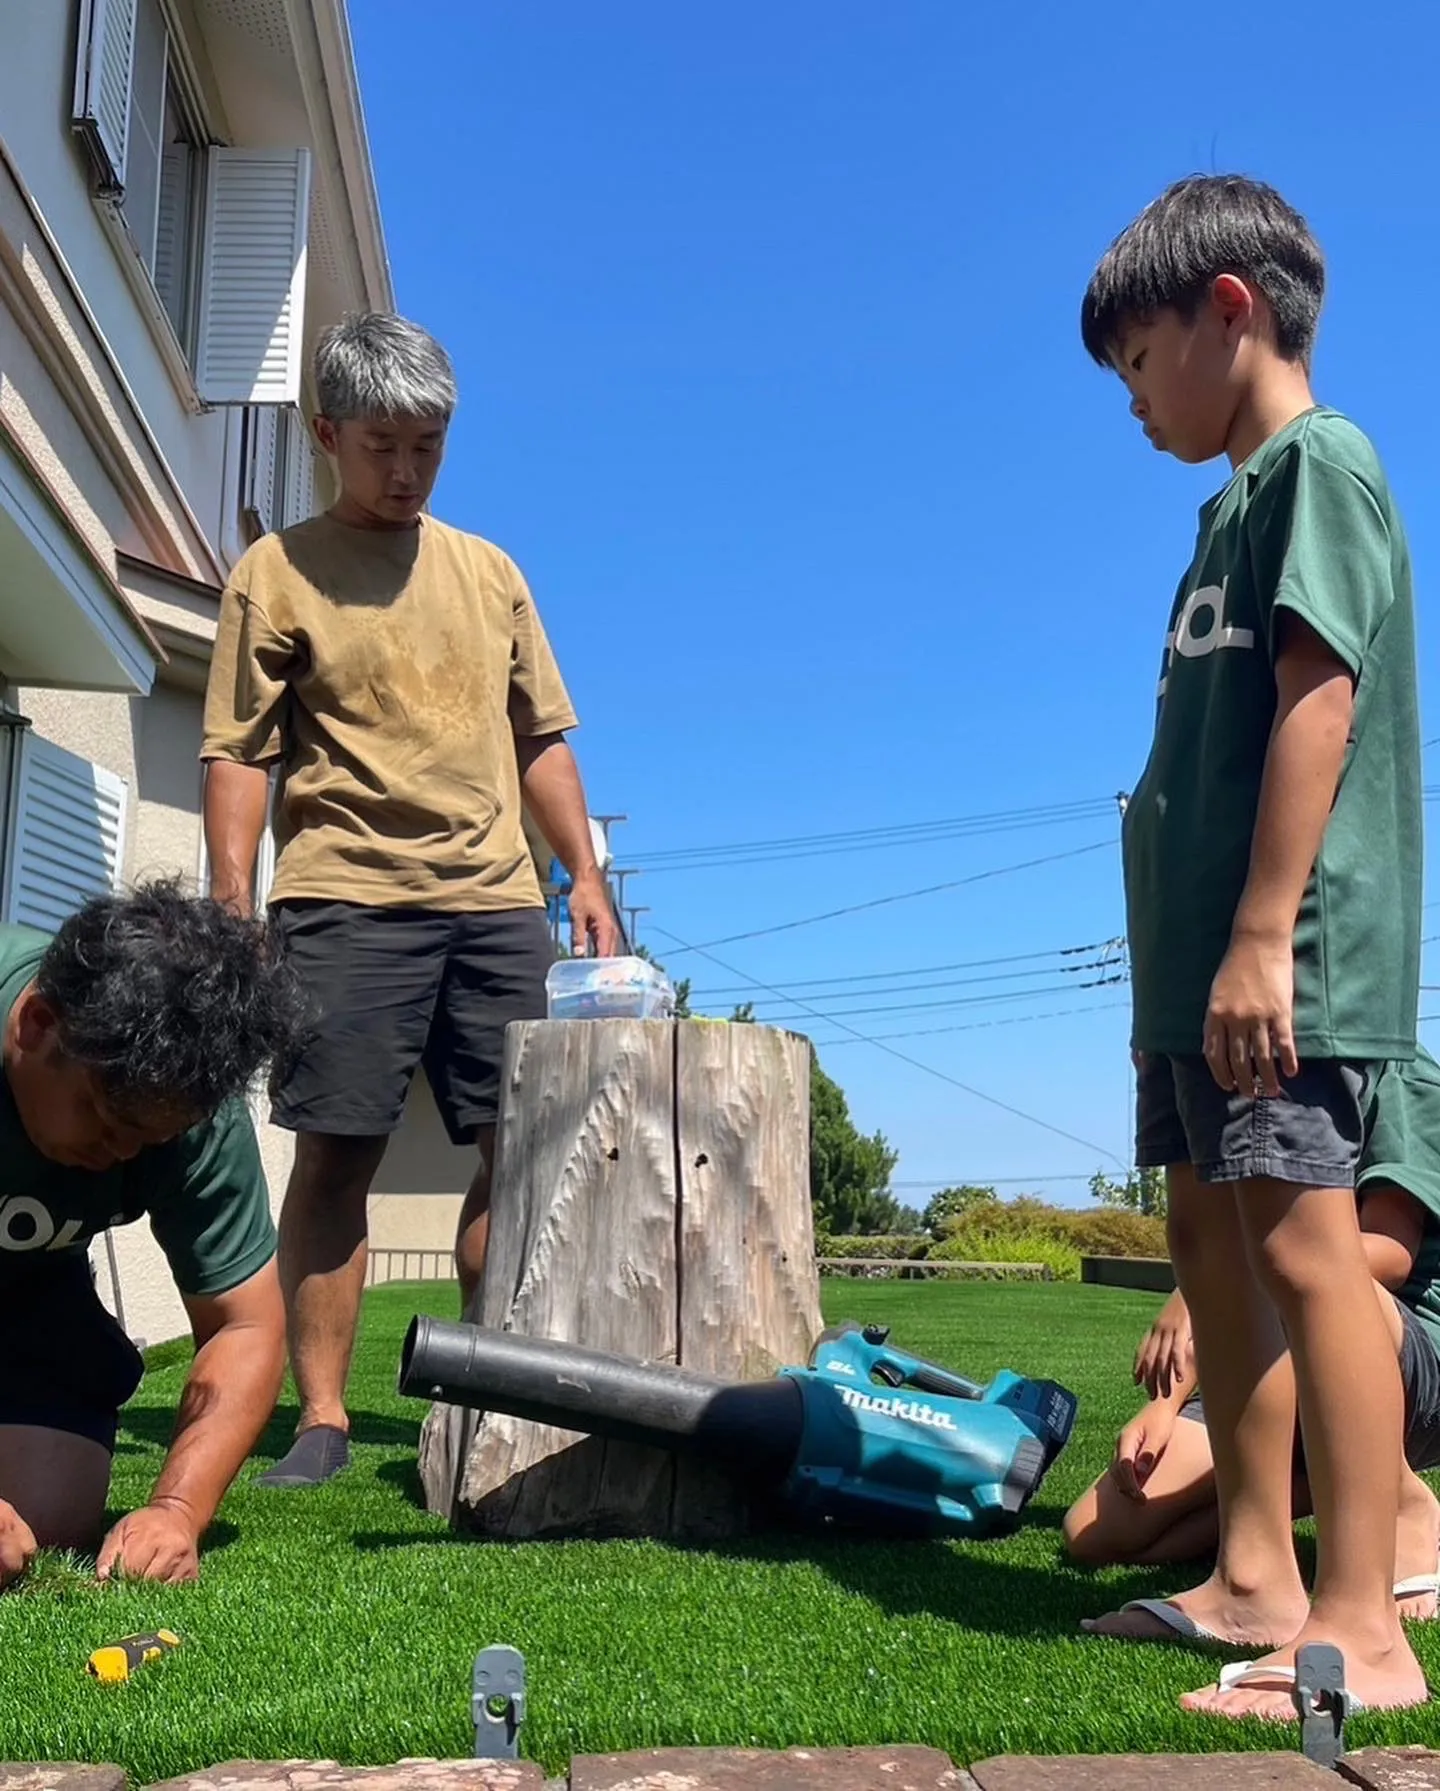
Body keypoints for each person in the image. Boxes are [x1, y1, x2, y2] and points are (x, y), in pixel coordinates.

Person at [1081, 174, 1425, 1718]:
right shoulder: (1224, 508)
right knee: (1212, 1242)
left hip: (1282, 960)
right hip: (1188, 977)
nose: (1138, 401)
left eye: (1142, 361)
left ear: (1229, 311)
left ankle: (1363, 1618)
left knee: (1302, 1246)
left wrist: (1263, 934)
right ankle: (1253, 1574)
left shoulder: (1321, 466)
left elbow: (1320, 699)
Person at [200, 311, 621, 1491]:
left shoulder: (490, 574)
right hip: (342, 901)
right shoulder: (275, 572)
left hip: (496, 904)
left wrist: (581, 873)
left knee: (518, 1148)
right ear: (328, 432)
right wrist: (236, 899)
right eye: (383, 444)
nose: (406, 470)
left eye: (428, 446)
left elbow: (542, 737)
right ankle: (324, 1418)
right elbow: (238, 751)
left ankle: (488, 1390)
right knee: (337, 1152)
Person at [1063, 1052, 1440, 1619]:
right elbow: (1228, 1268)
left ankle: (1400, 1501)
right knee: (1099, 1531)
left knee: (1295, 1275)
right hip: (1278, 1344)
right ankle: (1323, 1491)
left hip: (1406, 1350)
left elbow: (1389, 1253)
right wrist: (1165, 1405)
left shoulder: (1401, 1075)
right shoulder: (1248, 1084)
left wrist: (1189, 1295)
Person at [0, 879, 300, 1589]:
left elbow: (246, 1326)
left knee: (45, 1518)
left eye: (150, 1138)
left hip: (32, 1296)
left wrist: (177, 1508)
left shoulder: (191, 1104)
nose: (119, 1156)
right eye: (103, 1119)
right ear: (38, 1023)